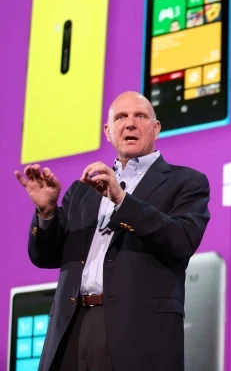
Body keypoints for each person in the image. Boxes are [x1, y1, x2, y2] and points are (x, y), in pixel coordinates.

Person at [14, 91, 211, 371]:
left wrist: (122, 200)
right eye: (120, 117)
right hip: (72, 327)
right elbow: (45, 256)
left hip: (137, 334)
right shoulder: (82, 190)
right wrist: (46, 213)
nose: (130, 123)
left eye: (140, 116)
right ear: (108, 132)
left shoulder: (186, 182)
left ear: (156, 128)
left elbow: (182, 239)